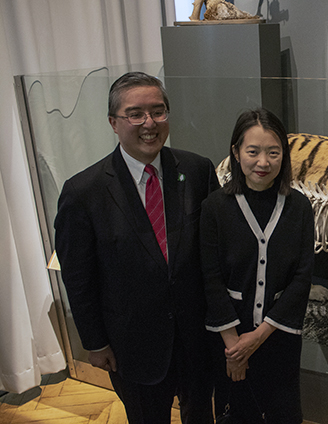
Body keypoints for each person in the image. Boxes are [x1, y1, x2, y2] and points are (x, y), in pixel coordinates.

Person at [54, 72, 219, 423]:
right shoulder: (84, 192)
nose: (149, 123)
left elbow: (214, 255)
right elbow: (78, 277)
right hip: (133, 347)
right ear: (114, 123)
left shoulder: (197, 170)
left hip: (197, 340)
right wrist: (95, 343)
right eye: (135, 114)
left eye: (158, 112)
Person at [201, 108, 314, 424]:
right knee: (237, 413)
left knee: (284, 412)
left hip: (279, 336)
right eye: (253, 151)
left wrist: (259, 336)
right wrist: (235, 348)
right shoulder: (215, 208)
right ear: (236, 153)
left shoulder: (299, 207)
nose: (263, 162)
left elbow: (302, 277)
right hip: (229, 338)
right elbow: (210, 278)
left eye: (273, 152)